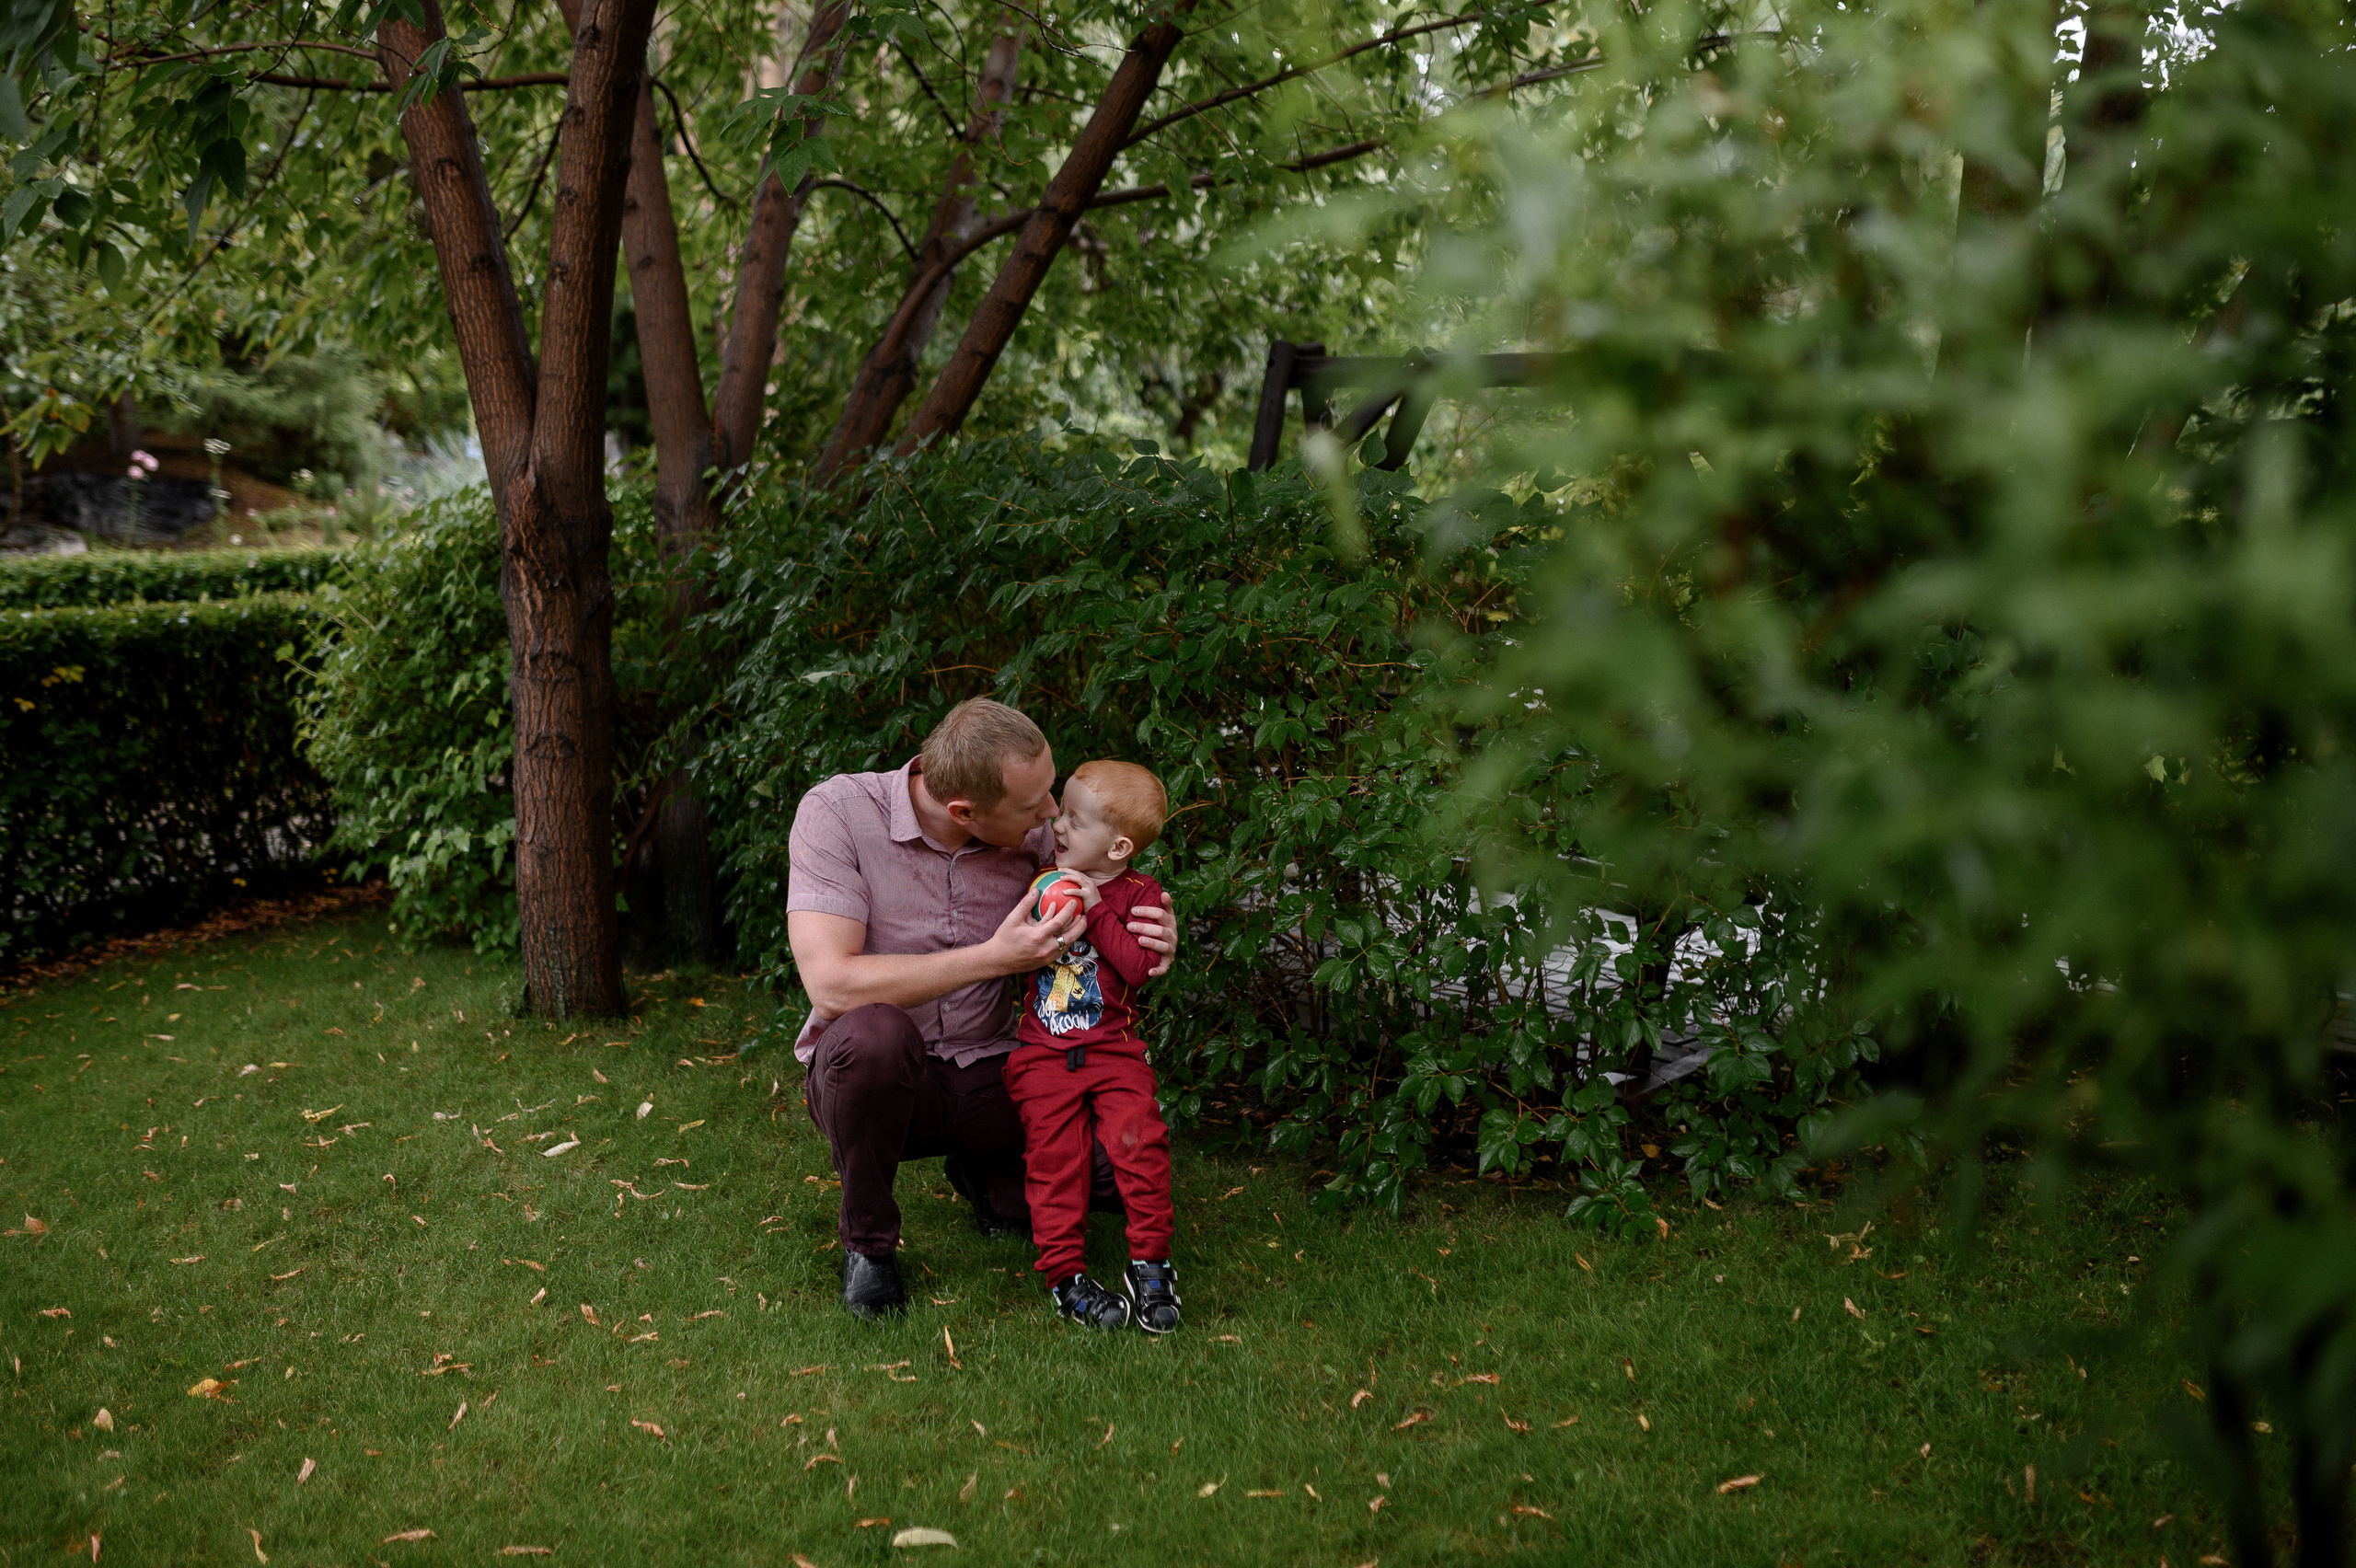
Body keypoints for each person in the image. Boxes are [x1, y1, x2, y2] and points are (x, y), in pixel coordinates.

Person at [785, 698, 1178, 1318]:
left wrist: (1152, 935)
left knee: (1113, 1173)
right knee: (874, 1038)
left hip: (997, 1070)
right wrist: (995, 958)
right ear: (965, 812)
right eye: (1034, 805)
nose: (1050, 815)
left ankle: (990, 1174)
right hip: (888, 1082)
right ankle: (869, 1243)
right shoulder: (838, 814)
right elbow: (830, 985)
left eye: (1052, 793)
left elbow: (1109, 870)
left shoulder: (1039, 839)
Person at [1004, 760, 1182, 1333]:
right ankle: (1065, 1276)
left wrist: (1097, 907)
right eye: (1062, 813)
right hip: (1043, 1054)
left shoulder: (1140, 894)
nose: (1057, 826)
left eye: (1075, 821)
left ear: (1118, 846)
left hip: (1114, 1051)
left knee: (1141, 1145)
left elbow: (1139, 967)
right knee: (1055, 1163)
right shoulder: (1041, 880)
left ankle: (1150, 1263)